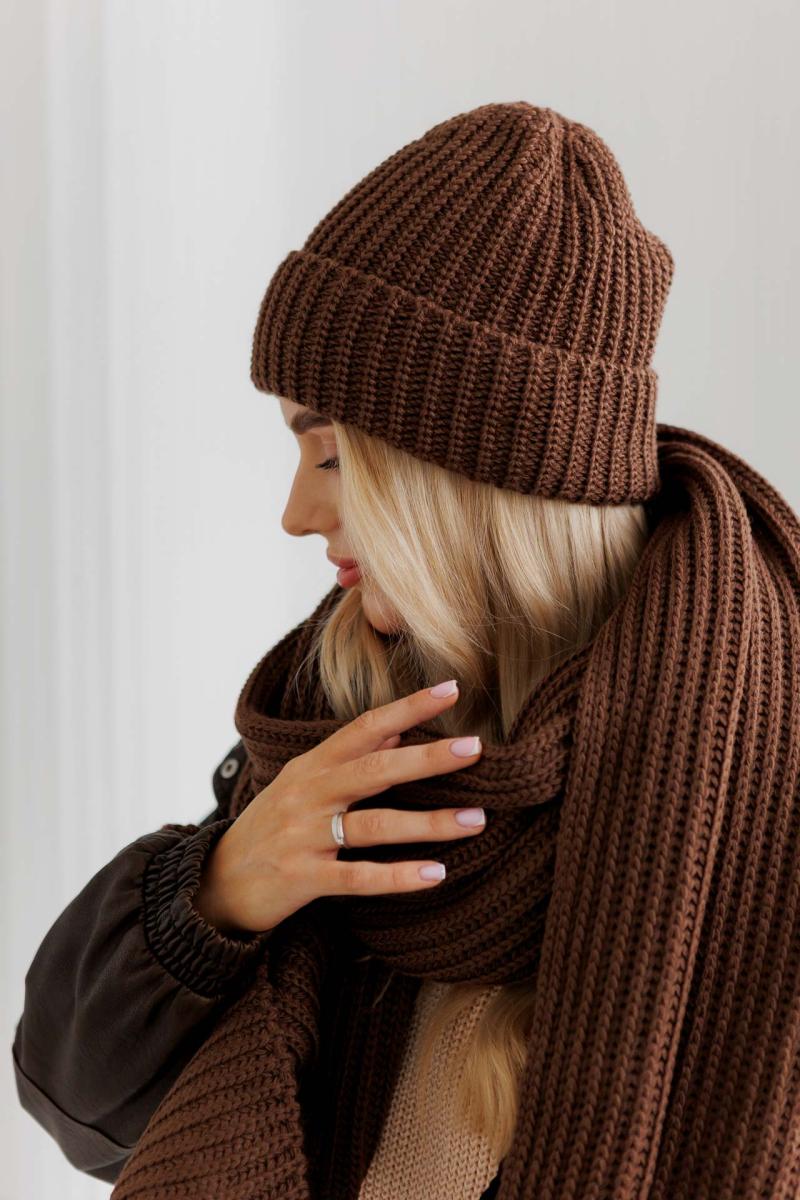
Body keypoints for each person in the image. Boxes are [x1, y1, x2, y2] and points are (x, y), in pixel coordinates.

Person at [13, 101, 800, 1200]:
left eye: (333, 457)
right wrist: (220, 891)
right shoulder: (340, 724)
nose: (296, 513)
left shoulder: (758, 790)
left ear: (466, 475)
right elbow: (78, 1104)